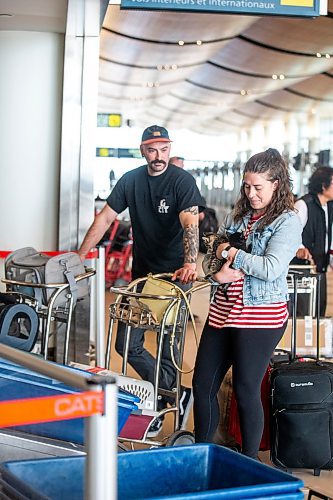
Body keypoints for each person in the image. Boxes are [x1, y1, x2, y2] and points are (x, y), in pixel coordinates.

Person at [78, 125, 204, 435]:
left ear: (170, 149)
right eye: (152, 150)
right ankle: (172, 392)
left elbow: (189, 222)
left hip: (176, 278)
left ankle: (163, 402)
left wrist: (190, 262)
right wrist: (80, 255)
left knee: (167, 347)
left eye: (164, 149)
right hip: (143, 277)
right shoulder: (131, 180)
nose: (158, 156)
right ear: (142, 150)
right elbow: (105, 218)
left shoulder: (181, 181)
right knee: (126, 343)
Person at [192, 148, 302, 459]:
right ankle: (201, 456)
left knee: (244, 389)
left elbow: (270, 268)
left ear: (276, 184)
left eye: (258, 187)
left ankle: (249, 462)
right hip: (223, 311)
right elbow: (210, 261)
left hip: (261, 315)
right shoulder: (237, 215)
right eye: (246, 186)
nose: (250, 193)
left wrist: (231, 253)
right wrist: (217, 273)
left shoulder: (287, 221)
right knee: (202, 385)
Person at [292, 166, 333, 316]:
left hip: (320, 267)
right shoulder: (303, 205)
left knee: (319, 312)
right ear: (323, 185)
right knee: (304, 313)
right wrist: (300, 248)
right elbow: (290, 233)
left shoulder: (329, 206)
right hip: (303, 269)